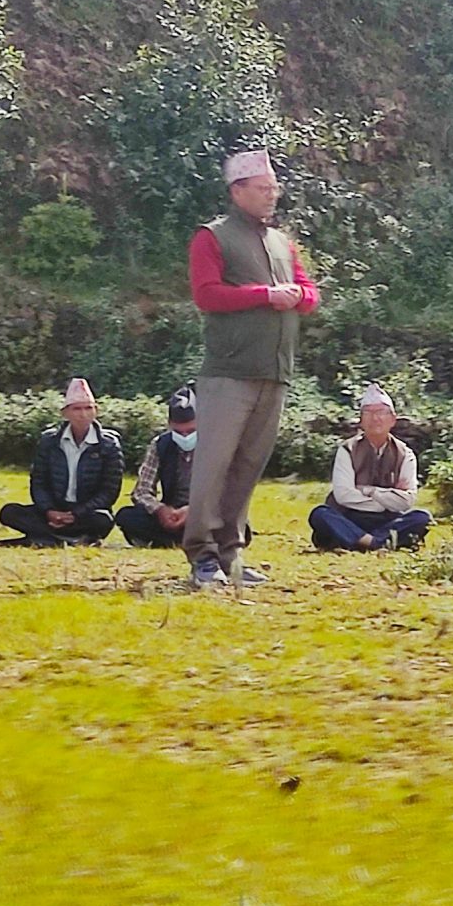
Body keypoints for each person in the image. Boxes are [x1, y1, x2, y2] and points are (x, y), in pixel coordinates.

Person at [183, 148, 321, 589]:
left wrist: (298, 297)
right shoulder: (212, 237)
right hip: (228, 373)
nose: (271, 197)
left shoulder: (283, 242)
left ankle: (231, 554)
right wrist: (265, 295)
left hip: (273, 372)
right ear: (237, 190)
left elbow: (310, 293)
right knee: (214, 466)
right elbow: (207, 296)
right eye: (263, 189)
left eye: (274, 189)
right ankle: (202, 554)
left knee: (248, 467)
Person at [0, 378, 124, 547]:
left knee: (103, 519)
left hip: (85, 514)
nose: (83, 414)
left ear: (96, 411)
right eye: (77, 409)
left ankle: (45, 539)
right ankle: (61, 540)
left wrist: (76, 514)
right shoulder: (49, 441)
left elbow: (108, 491)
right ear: (65, 413)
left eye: (88, 408)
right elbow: (38, 482)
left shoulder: (108, 445)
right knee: (9, 512)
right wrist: (49, 510)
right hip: (52, 511)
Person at [308, 385, 430, 552]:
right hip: (349, 516)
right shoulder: (347, 449)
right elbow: (343, 495)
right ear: (361, 420)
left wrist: (369, 491)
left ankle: (362, 541)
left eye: (381, 413)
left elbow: (407, 501)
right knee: (321, 514)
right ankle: (378, 543)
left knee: (421, 517)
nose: (375, 419)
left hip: (387, 519)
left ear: (392, 420)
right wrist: (387, 500)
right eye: (369, 413)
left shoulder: (405, 454)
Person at [116, 388, 203, 550]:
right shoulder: (160, 445)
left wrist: (193, 509)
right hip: (171, 514)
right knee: (126, 516)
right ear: (169, 425)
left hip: (203, 513)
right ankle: (183, 541)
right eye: (178, 432)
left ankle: (168, 541)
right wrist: (160, 510)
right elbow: (141, 491)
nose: (185, 437)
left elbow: (226, 491)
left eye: (190, 431)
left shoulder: (215, 444)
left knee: (232, 523)